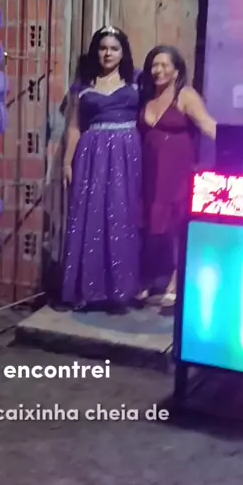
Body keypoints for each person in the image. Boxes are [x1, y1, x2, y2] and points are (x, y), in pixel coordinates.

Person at [60, 26, 141, 312]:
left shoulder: (137, 81)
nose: (108, 53)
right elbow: (74, 126)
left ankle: (120, 290)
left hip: (126, 155)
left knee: (121, 216)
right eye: (103, 48)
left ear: (122, 53)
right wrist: (67, 161)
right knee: (90, 216)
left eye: (114, 48)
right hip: (91, 155)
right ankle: (87, 289)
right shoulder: (83, 85)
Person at [138, 45, 216, 310]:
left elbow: (207, 125)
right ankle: (150, 279)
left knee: (175, 224)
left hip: (177, 169)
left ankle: (175, 282)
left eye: (164, 65)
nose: (158, 70)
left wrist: (238, 147)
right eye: (154, 65)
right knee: (150, 223)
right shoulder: (146, 95)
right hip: (149, 169)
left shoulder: (186, 95)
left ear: (176, 69)